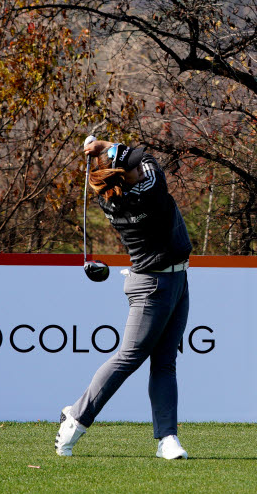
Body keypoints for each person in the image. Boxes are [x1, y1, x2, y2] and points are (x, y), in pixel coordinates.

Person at [55, 139, 193, 459]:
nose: (139, 163)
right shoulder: (150, 190)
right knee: (129, 357)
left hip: (174, 279)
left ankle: (167, 439)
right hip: (154, 286)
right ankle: (76, 418)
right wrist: (104, 143)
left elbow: (133, 163)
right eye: (132, 163)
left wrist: (102, 150)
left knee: (164, 363)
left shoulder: (110, 196)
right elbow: (152, 161)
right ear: (125, 173)